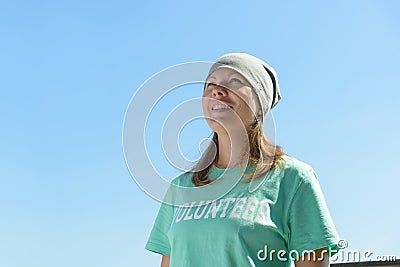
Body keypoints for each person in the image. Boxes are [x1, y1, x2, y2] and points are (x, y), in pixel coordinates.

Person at [145, 53, 341, 267]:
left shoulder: (293, 179)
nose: (216, 90)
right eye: (210, 84)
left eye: (235, 81)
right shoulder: (181, 188)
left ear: (259, 105)